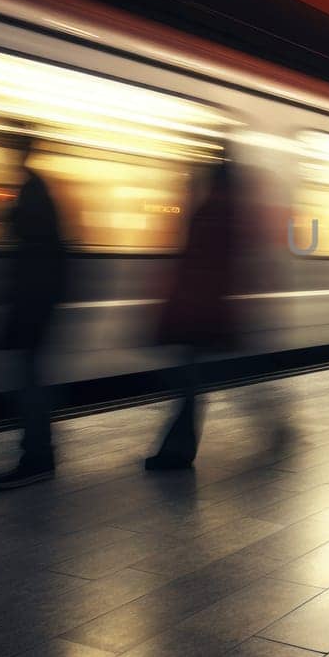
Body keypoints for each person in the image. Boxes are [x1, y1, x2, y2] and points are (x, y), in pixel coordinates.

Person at [146, 160, 237, 470]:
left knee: (189, 384)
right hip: (204, 312)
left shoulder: (213, 211)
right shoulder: (220, 209)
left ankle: (176, 452)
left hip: (199, 312)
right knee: (192, 384)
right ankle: (176, 450)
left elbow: (198, 266)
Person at [0, 133, 69, 491]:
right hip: (37, 300)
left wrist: (5, 218)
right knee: (30, 379)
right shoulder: (35, 189)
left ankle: (37, 457)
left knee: (30, 382)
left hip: (33, 301)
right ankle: (38, 454)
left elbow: (32, 243)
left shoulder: (32, 191)